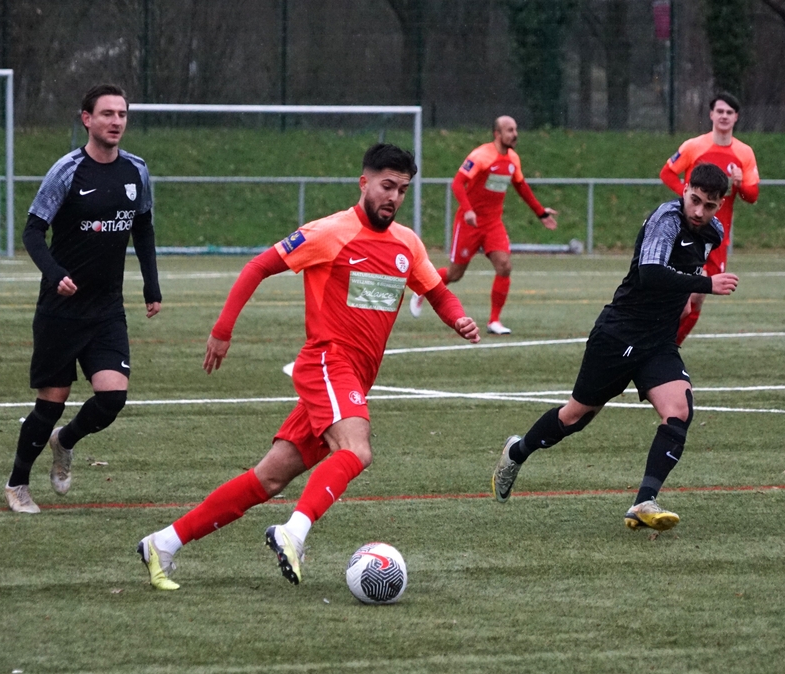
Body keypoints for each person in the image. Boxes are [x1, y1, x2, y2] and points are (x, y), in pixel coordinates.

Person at [137, 143, 480, 591]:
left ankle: (162, 543)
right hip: (328, 361)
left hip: (352, 378)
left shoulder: (407, 244)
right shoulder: (329, 232)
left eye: (402, 189)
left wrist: (458, 319)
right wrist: (223, 329)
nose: (394, 197)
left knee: (268, 477)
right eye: (386, 186)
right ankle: (293, 533)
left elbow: (436, 291)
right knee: (356, 450)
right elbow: (258, 266)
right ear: (364, 183)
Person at [491, 164, 738, 531]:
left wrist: (686, 295)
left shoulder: (713, 233)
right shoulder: (666, 219)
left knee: (679, 411)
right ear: (684, 189)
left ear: (720, 205)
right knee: (574, 417)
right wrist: (705, 285)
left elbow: (687, 268)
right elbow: (651, 273)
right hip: (618, 335)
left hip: (658, 342)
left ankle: (644, 501)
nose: (700, 211)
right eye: (695, 200)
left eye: (710, 205)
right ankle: (517, 451)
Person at [3, 84, 161, 514]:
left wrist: (151, 285)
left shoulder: (136, 171)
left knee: (112, 398)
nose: (116, 121)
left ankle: (65, 441)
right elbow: (33, 231)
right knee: (49, 405)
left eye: (122, 114)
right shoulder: (67, 170)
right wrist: (55, 274)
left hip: (107, 309)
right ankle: (17, 484)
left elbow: (143, 227)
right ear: (86, 119)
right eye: (107, 113)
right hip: (61, 310)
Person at [409, 115, 557, 335]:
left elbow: (521, 187)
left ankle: (494, 321)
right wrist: (468, 210)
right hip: (469, 223)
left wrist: (541, 213)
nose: (515, 134)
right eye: (510, 130)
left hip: (493, 224)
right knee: (455, 274)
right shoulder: (481, 155)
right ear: (497, 134)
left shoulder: (513, 159)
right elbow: (458, 183)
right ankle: (422, 289)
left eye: (515, 129)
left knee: (504, 266)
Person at [660, 92, 759, 345]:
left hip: (716, 236)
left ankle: (670, 346)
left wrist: (740, 184)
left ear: (736, 117)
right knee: (686, 297)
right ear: (711, 114)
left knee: (696, 299)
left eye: (729, 112)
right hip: (689, 231)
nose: (724, 116)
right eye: (720, 111)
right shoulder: (694, 146)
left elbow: (752, 196)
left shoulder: (744, 153)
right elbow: (667, 173)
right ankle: (661, 346)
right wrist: (689, 199)